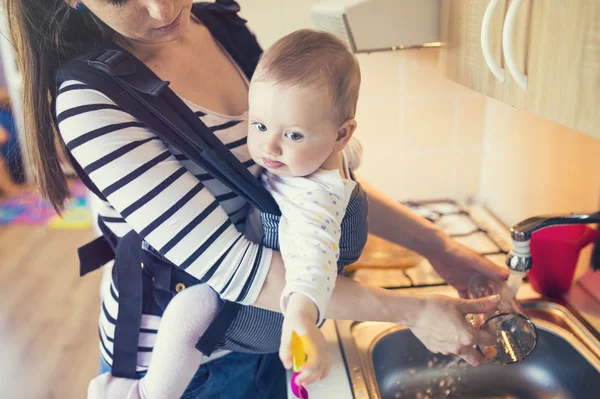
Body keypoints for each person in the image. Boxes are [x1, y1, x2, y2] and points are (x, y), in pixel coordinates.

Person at [7, 1, 508, 398]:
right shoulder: (91, 100)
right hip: (189, 367)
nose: (162, 11)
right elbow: (237, 269)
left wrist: (437, 246)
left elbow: (308, 179)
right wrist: (412, 313)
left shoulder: (219, 25)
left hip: (274, 330)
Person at [88, 28, 366, 399]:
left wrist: (301, 317)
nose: (269, 147)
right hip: (264, 303)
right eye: (260, 125)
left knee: (191, 308)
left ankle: (148, 394)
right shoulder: (328, 154)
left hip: (273, 313)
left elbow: (313, 257)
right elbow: (350, 156)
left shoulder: (313, 196)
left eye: (293, 135)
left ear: (340, 135)